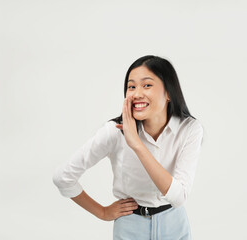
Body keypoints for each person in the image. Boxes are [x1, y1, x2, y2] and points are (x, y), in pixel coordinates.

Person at [52, 55, 204, 239]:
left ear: (169, 92)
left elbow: (178, 197)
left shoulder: (189, 129)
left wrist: (137, 145)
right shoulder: (114, 132)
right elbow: (63, 178)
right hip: (131, 226)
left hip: (174, 225)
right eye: (131, 86)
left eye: (147, 85)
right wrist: (102, 212)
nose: (137, 93)